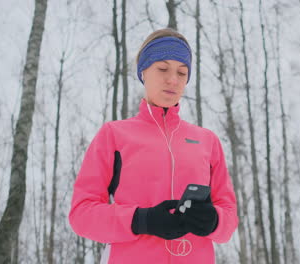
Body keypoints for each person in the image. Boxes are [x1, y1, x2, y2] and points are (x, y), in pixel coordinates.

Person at [68, 28, 238, 264]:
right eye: (162, 68)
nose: (173, 79)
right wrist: (140, 219)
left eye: (182, 72)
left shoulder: (207, 141)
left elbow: (228, 214)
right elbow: (81, 214)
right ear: (143, 72)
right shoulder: (114, 135)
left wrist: (215, 220)